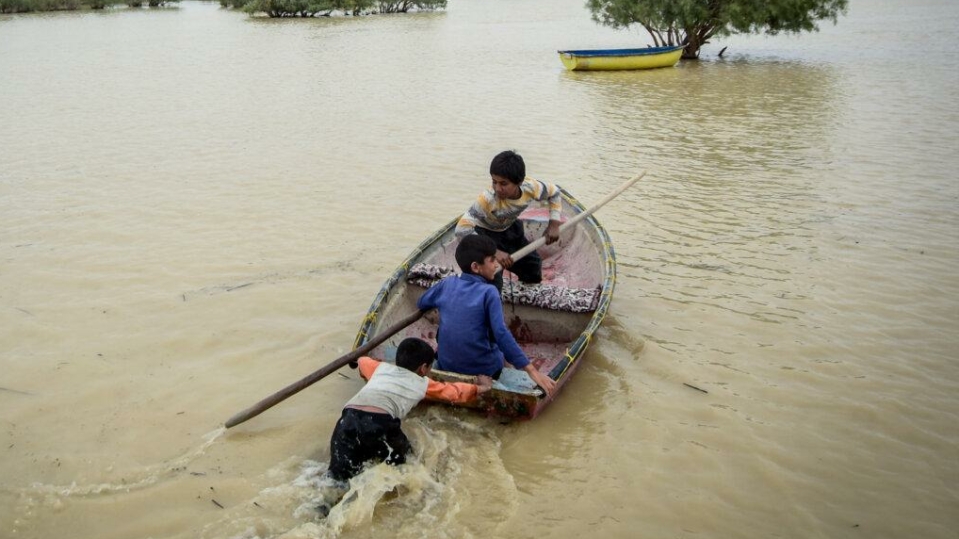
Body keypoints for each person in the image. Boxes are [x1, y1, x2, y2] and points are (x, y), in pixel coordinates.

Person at [327, 337, 491, 482]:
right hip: (380, 423)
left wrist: (356, 360)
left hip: (346, 420)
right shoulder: (422, 383)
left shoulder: (379, 368)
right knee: (406, 466)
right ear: (423, 368)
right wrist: (481, 387)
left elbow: (362, 361)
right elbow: (454, 392)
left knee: (337, 480)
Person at [416, 234, 557, 396]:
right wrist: (532, 371)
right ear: (476, 267)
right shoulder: (489, 292)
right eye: (492, 260)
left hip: (446, 365)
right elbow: (501, 333)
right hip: (484, 371)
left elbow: (422, 302)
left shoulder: (447, 283)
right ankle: (505, 372)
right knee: (501, 350)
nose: (496, 265)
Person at [455, 149, 564, 290]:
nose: (497, 188)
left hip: (509, 229)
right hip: (484, 235)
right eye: (494, 182)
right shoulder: (487, 199)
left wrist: (554, 224)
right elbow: (461, 229)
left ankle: (528, 299)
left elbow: (554, 192)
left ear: (519, 182)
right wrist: (494, 252)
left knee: (533, 265)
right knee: (492, 276)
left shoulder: (531, 187)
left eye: (503, 183)